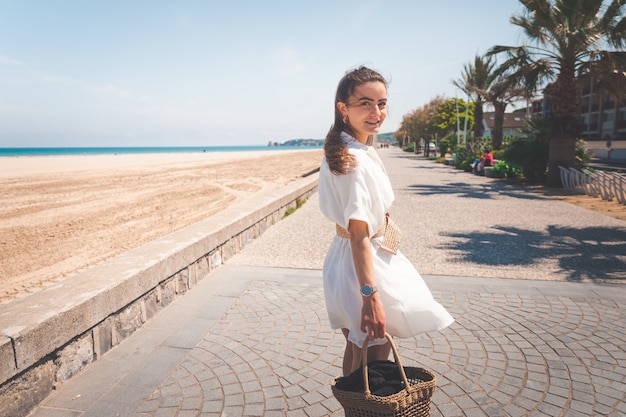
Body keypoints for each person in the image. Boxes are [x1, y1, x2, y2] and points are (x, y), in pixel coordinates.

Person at [318, 67, 454, 377]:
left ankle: (354, 409)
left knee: (358, 349)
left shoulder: (349, 149)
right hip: (363, 269)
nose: (376, 112)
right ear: (343, 109)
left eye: (381, 103)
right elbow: (359, 235)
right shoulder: (352, 160)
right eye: (365, 103)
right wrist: (371, 297)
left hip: (347, 264)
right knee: (373, 359)